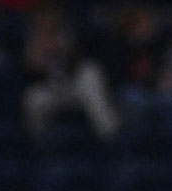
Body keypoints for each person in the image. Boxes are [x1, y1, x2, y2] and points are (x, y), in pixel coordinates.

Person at [21, 4, 120, 141]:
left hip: (74, 86)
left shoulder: (68, 34)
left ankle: (111, 137)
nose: (47, 20)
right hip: (50, 90)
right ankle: (40, 145)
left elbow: (80, 61)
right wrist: (38, 52)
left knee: (91, 73)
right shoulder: (33, 40)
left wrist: (63, 49)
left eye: (50, 15)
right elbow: (28, 73)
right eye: (42, 17)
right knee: (33, 99)